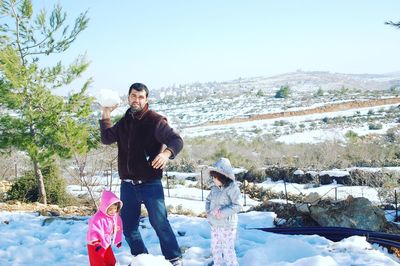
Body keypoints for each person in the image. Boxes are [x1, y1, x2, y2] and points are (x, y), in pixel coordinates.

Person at [99, 83, 184, 266]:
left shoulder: (155, 120)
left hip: (150, 183)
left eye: (140, 97)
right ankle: (142, 258)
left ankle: (175, 259)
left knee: (160, 223)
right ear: (128, 97)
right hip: (128, 185)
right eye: (133, 96)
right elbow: (107, 138)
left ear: (146, 99)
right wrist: (106, 113)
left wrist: (165, 153)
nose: (136, 100)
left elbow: (176, 140)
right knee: (128, 228)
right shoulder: (126, 120)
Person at [205, 158, 242, 266]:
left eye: (215, 177)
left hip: (227, 225)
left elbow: (238, 205)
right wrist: (209, 212)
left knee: (228, 250)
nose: (214, 180)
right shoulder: (214, 189)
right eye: (213, 177)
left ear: (223, 176)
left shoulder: (232, 188)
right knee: (215, 249)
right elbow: (208, 200)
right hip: (214, 224)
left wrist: (222, 212)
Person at [87, 189, 123, 266]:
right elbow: (93, 230)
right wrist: (96, 242)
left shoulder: (113, 216)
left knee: (111, 261)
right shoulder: (97, 218)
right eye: (110, 209)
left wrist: (117, 238)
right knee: (98, 263)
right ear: (104, 207)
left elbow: (116, 226)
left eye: (115, 209)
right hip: (95, 245)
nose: (113, 211)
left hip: (106, 243)